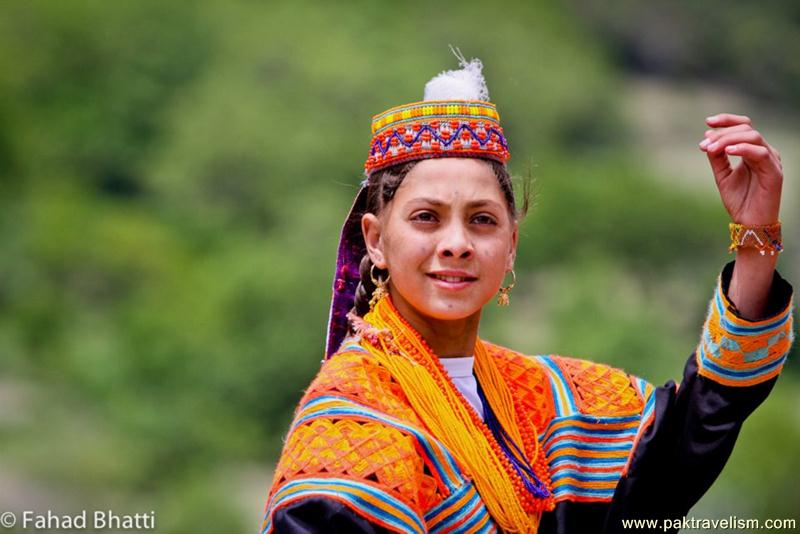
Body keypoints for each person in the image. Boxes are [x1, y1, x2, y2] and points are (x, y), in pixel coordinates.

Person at [258, 52, 794, 533]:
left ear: (511, 244)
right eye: (426, 218)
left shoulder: (551, 403)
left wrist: (756, 242)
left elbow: (690, 436)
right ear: (375, 240)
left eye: (482, 221)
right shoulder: (349, 426)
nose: (456, 244)